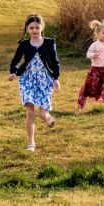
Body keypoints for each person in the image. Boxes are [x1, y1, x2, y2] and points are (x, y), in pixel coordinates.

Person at [8, 13, 61, 152]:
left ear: (42, 27)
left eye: (37, 27)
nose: (34, 31)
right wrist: (13, 71)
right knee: (30, 112)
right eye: (31, 28)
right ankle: (31, 143)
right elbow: (15, 60)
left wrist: (56, 78)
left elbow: (55, 62)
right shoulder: (24, 45)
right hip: (28, 78)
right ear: (27, 29)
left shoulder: (50, 43)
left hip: (45, 79)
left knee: (43, 114)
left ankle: (47, 117)